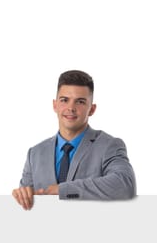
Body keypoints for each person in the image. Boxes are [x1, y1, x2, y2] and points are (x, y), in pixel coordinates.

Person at [12, 70, 136, 210]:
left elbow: (124, 185)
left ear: (92, 109)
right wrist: (21, 195)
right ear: (55, 105)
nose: (71, 108)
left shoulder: (109, 146)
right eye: (64, 100)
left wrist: (62, 190)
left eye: (80, 102)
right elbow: (24, 205)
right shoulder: (34, 153)